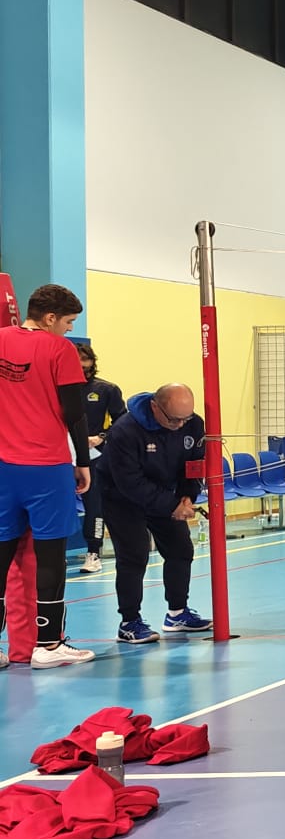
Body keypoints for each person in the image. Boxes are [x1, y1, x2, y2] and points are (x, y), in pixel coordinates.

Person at [0, 284, 94, 668]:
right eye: (68, 321)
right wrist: (83, 461)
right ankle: (48, 645)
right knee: (51, 555)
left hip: (3, 467)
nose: (70, 329)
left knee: (2, 555)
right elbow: (75, 412)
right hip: (45, 466)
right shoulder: (59, 349)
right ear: (50, 317)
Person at [100, 384, 212, 644]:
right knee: (134, 555)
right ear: (155, 407)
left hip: (165, 493)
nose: (180, 425)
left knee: (181, 549)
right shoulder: (124, 431)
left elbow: (194, 464)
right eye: (174, 419)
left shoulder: (193, 424)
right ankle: (129, 622)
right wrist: (172, 506)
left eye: (185, 419)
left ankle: (177, 614)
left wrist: (187, 496)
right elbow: (130, 482)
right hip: (121, 497)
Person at [76, 342, 121, 575]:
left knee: (94, 505)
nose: (81, 365)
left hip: (94, 457)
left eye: (85, 359)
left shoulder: (106, 389)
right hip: (61, 456)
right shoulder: (57, 389)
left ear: (92, 362)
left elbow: (121, 422)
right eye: (76, 360)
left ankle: (94, 552)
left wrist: (100, 438)